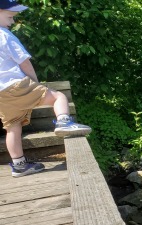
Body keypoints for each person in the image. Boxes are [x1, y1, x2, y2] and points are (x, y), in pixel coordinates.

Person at [0, 0, 91, 177]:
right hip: (15, 84)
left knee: (12, 126)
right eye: (9, 17)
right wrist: (36, 83)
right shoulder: (4, 35)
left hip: (1, 93)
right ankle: (64, 122)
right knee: (58, 97)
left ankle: (19, 165)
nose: (12, 22)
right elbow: (24, 62)